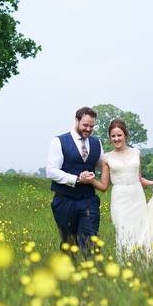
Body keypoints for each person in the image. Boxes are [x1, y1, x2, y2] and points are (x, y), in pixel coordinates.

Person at [91, 118, 153, 261]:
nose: (116, 138)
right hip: (120, 200)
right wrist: (90, 181)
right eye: (113, 136)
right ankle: (125, 265)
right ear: (110, 137)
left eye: (119, 135)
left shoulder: (136, 153)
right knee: (124, 234)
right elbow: (104, 186)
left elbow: (139, 178)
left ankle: (143, 267)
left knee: (142, 232)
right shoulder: (106, 158)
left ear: (125, 135)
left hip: (137, 197)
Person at [46, 107, 103, 256]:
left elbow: (104, 165)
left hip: (88, 200)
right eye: (85, 125)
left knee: (90, 239)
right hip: (65, 201)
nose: (89, 129)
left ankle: (92, 274)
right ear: (77, 120)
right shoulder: (59, 141)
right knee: (69, 243)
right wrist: (77, 179)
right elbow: (51, 171)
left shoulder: (97, 143)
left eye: (92, 126)